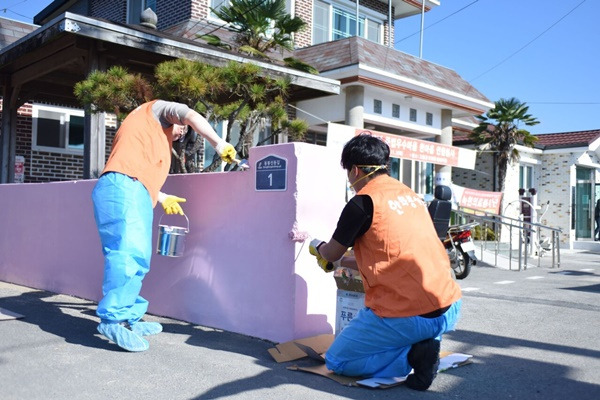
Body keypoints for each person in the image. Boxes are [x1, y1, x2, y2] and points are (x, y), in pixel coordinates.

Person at [308, 134, 462, 391]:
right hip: (449, 308)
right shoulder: (409, 195)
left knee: (338, 360)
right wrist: (345, 261)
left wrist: (318, 247)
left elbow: (331, 253)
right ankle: (424, 344)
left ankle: (414, 354)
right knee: (396, 331)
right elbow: (389, 257)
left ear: (355, 170)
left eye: (348, 172)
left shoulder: (362, 202)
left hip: (407, 315)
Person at [91, 100, 237, 352]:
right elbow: (189, 115)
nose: (181, 133)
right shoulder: (156, 110)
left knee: (138, 258)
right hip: (123, 187)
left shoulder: (149, 135)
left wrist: (162, 196)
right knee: (127, 256)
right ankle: (113, 319)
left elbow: (137, 172)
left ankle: (129, 317)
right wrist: (218, 142)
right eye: (183, 129)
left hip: (134, 189)